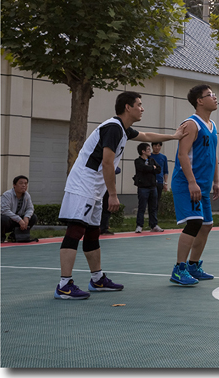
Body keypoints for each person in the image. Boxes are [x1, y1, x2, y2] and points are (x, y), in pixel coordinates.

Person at [55, 91, 186, 300]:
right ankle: (64, 285)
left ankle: (97, 279)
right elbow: (107, 162)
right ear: (128, 107)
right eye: (139, 104)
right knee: (76, 230)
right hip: (83, 186)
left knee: (92, 232)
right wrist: (113, 195)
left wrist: (174, 136)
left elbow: (146, 136)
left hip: (94, 188)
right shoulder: (113, 128)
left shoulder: (123, 129)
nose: (142, 108)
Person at [170, 84, 219, 286]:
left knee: (206, 225)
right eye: (210, 95)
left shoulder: (212, 125)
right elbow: (182, 155)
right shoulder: (191, 124)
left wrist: (216, 181)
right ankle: (178, 269)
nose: (214, 97)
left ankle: (193, 265)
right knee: (194, 222)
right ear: (199, 101)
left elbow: (213, 155)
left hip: (204, 186)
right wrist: (192, 182)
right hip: (187, 183)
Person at [133, 142, 163, 233]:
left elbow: (158, 169)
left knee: (153, 207)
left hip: (153, 187)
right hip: (143, 187)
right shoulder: (138, 161)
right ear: (143, 151)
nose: (150, 151)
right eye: (148, 149)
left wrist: (152, 167)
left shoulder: (152, 160)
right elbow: (143, 168)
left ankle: (154, 225)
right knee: (142, 207)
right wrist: (152, 168)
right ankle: (139, 225)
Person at [1, 176, 38, 243]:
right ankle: (1, 236)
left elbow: (30, 208)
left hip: (18, 221)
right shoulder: (7, 195)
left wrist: (26, 217)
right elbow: (4, 210)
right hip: (8, 220)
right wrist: (19, 219)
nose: (24, 185)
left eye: (25, 183)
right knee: (3, 218)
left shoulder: (27, 195)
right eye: (21, 183)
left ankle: (15, 235)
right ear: (14, 185)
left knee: (33, 217)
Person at [150, 141, 170, 209]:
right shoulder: (149, 156)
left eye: (159, 146)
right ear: (152, 146)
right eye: (155, 146)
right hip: (150, 181)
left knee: (157, 200)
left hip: (160, 181)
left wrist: (165, 183)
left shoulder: (163, 157)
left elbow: (165, 171)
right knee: (150, 200)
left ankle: (155, 214)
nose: (157, 147)